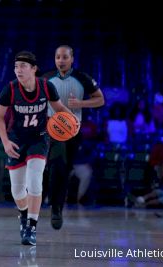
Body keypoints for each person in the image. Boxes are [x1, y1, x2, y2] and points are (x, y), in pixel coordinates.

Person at [0, 50, 78, 246]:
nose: (18, 70)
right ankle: (23, 214)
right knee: (17, 192)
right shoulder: (11, 89)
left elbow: (59, 109)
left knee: (34, 180)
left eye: (23, 66)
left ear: (34, 69)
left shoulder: (46, 87)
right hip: (16, 140)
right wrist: (5, 141)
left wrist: (73, 121)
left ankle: (31, 226)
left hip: (39, 138)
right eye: (16, 67)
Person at [43, 45, 105, 230]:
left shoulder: (82, 78)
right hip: (50, 130)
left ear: (72, 59)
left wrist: (81, 103)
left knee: (64, 169)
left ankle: (56, 205)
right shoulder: (45, 78)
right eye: (57, 57)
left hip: (73, 131)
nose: (61, 60)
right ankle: (54, 207)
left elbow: (100, 99)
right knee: (57, 166)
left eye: (64, 57)